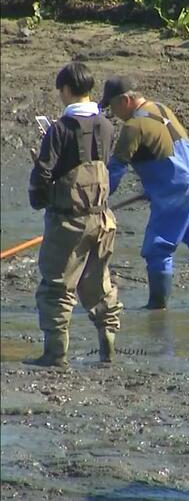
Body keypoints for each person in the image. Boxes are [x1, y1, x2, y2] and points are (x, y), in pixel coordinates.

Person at [26, 62, 123, 366]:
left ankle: (55, 355)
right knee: (99, 286)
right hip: (102, 219)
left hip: (68, 221)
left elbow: (42, 174)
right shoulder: (107, 126)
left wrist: (41, 199)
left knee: (56, 287)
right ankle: (108, 351)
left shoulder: (59, 129)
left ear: (66, 90)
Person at [100, 77, 189, 309]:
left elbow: (114, 172)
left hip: (177, 193)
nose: (113, 113)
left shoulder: (132, 127)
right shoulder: (161, 108)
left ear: (126, 100)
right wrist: (152, 189)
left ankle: (157, 308)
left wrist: (97, 202)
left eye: (113, 107)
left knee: (158, 249)